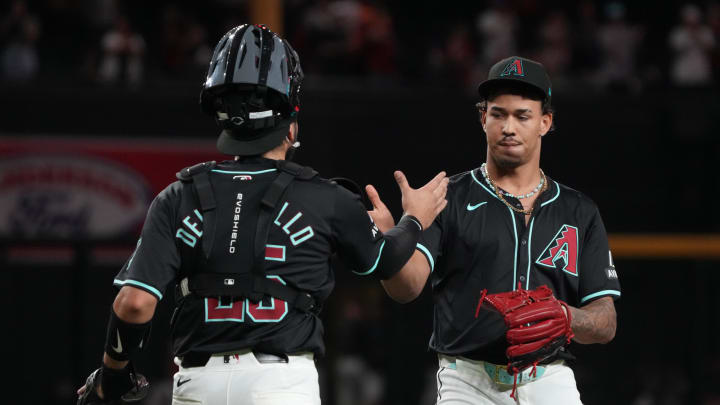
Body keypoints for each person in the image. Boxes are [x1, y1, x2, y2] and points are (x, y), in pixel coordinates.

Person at [76, 24, 448, 405]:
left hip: (196, 383)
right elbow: (389, 264)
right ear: (291, 124)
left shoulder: (178, 196)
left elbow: (135, 304)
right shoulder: (327, 198)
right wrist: (413, 221)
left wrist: (112, 374)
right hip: (280, 383)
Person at [366, 56, 621, 404]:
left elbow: (605, 322)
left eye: (522, 115)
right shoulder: (447, 197)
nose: (508, 127)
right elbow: (407, 288)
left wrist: (566, 317)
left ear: (545, 122)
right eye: (498, 114)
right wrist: (388, 247)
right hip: (468, 380)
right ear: (483, 118)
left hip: (550, 379)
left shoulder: (579, 210)